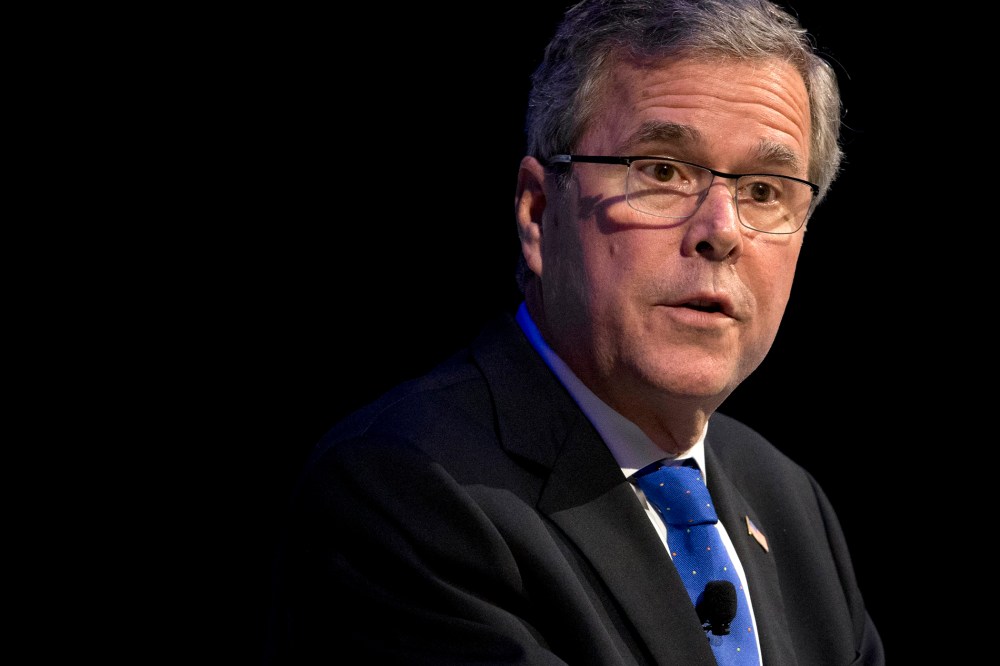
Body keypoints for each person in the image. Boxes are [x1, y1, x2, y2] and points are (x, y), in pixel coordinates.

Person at [265, 0, 885, 663]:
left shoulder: (789, 503)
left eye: (763, 191)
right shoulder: (405, 492)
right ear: (538, 213)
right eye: (662, 171)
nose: (722, 231)